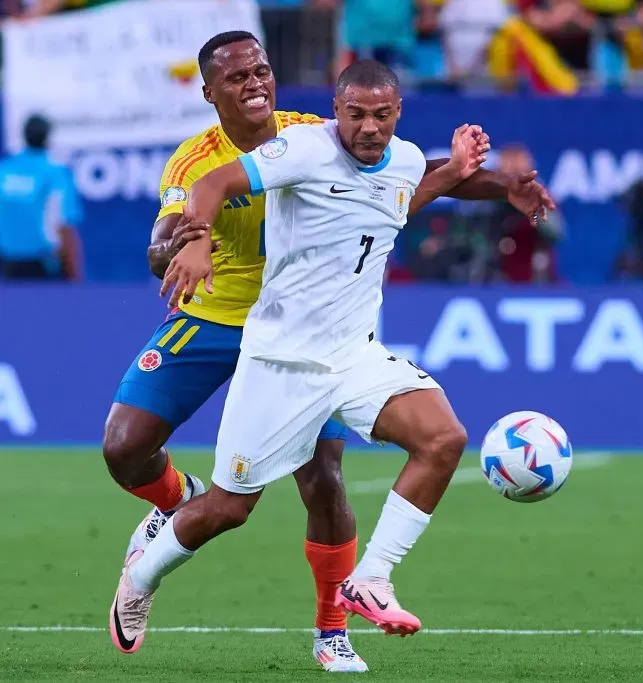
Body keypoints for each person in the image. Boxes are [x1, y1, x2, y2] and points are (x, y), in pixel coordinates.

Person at [104, 33, 550, 672]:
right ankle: (144, 571)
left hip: (350, 354)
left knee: (435, 440)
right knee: (220, 502)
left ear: (396, 113)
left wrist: (497, 183)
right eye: (357, 115)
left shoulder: (368, 148)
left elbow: (406, 190)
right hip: (256, 339)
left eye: (263, 70)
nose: (367, 127)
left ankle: (356, 597)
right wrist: (191, 243)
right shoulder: (293, 149)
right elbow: (205, 189)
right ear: (211, 93)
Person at [0, 115, 83, 281]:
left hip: (6, 263)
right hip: (43, 263)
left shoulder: (4, 170)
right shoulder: (55, 174)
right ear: (47, 137)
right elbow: (64, 226)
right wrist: (74, 273)